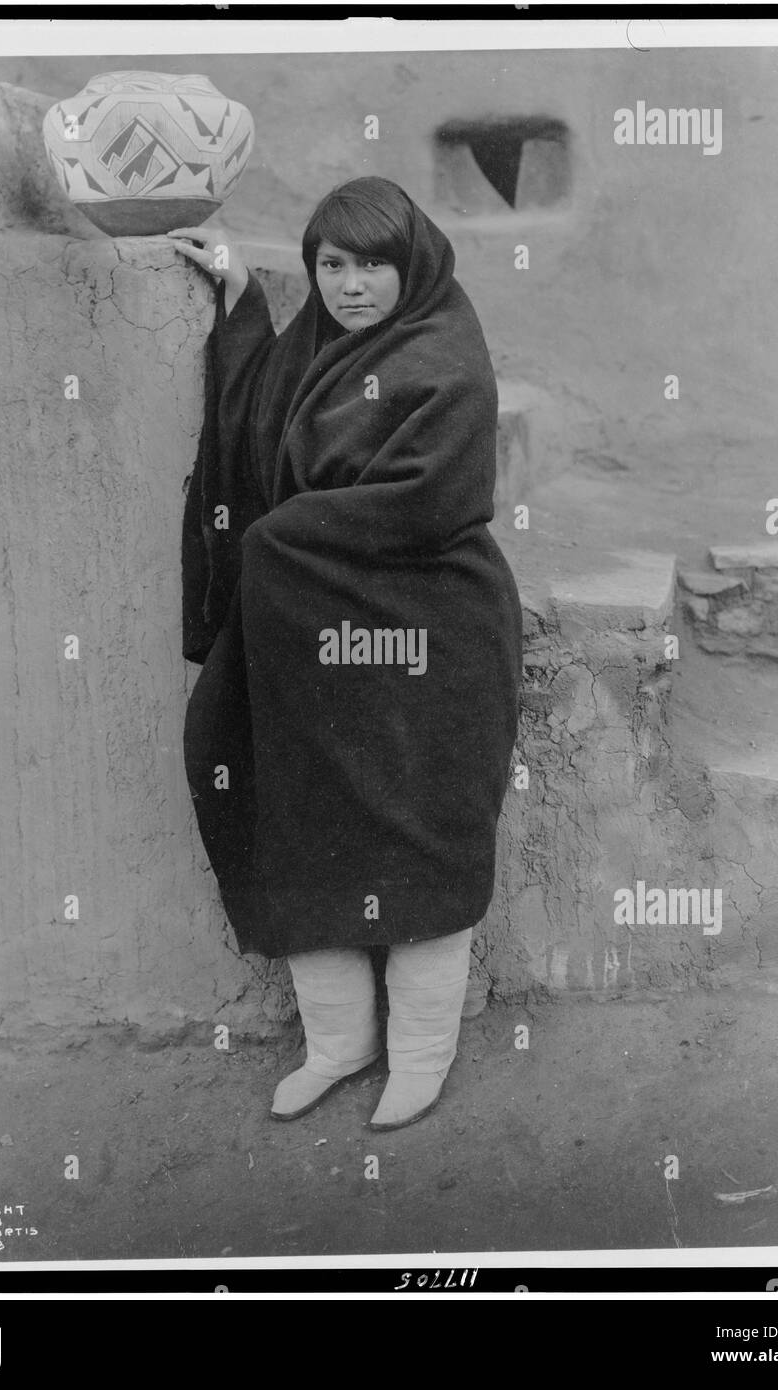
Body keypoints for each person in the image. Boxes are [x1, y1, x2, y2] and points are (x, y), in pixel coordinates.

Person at [171, 176, 522, 1131]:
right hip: (304, 643)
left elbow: (427, 498)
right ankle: (339, 1045)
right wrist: (242, 293)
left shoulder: (445, 357)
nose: (352, 286)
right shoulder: (319, 349)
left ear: (413, 269)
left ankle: (419, 1054)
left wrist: (282, 540)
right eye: (333, 265)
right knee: (296, 821)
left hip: (427, 641)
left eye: (374, 265)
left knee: (423, 830)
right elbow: (250, 416)